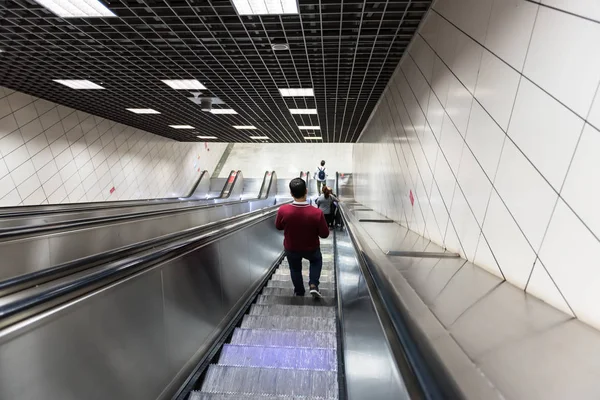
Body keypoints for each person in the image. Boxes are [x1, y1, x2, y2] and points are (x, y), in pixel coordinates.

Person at [275, 177, 329, 298]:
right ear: (306, 190)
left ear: (291, 193)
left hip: (291, 247)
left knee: (295, 269)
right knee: (316, 261)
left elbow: (278, 226)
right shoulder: (316, 213)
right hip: (311, 247)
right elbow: (324, 234)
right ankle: (314, 284)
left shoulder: (283, 210)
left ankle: (299, 291)